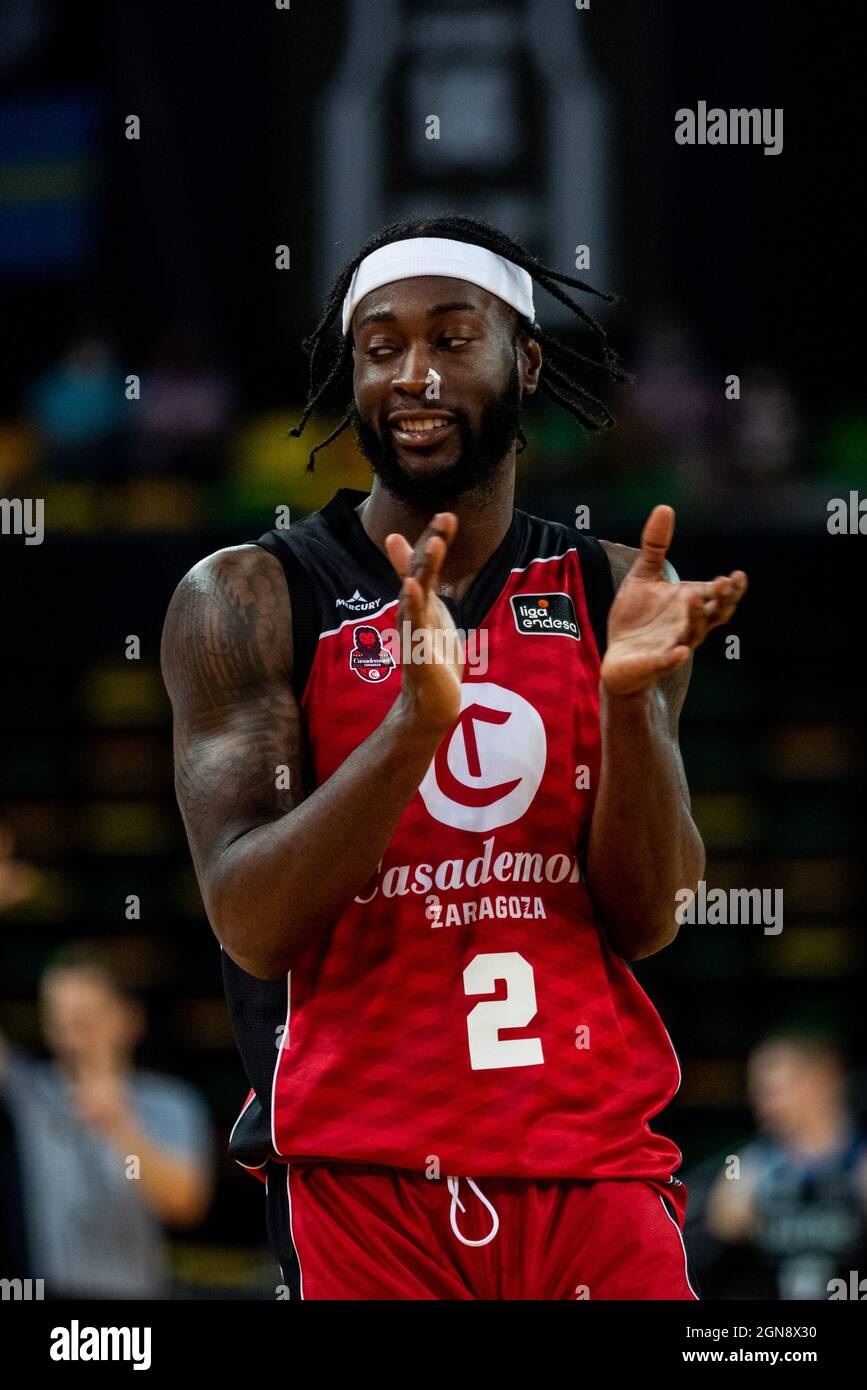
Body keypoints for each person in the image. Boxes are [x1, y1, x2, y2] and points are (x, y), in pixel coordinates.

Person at [161, 213, 747, 1300]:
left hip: (594, 1171)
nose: (415, 375)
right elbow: (252, 921)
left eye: (452, 337)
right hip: (362, 1183)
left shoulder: (620, 589)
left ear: (523, 358)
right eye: (380, 348)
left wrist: (627, 707)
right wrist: (411, 731)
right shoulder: (246, 595)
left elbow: (652, 912)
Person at [0, 944, 214, 1298]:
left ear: (130, 1019)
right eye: (58, 1021)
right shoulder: (30, 1092)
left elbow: (185, 1204)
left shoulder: (170, 1101)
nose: (70, 1038)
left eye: (86, 1020)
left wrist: (121, 1127)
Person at [703, 1032, 867, 1300]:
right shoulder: (748, 1164)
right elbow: (723, 1225)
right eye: (757, 1091)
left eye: (773, 1091)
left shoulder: (860, 1161)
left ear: (819, 1079)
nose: (762, 1104)